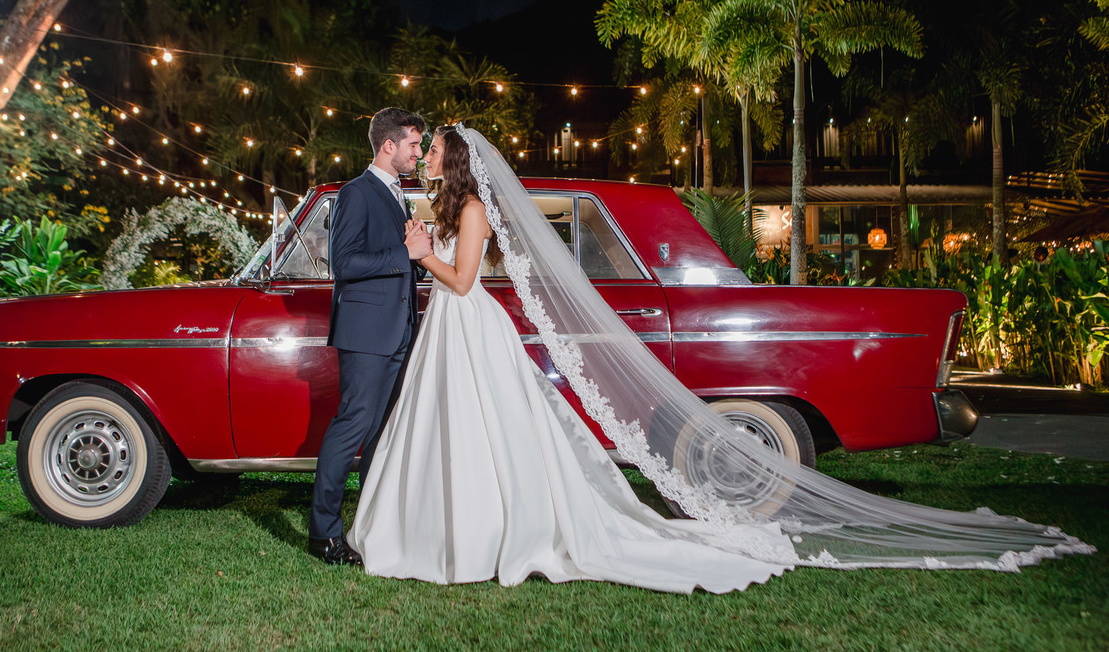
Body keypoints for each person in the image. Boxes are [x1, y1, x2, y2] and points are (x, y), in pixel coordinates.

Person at [348, 125, 1093, 592]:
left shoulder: (466, 211)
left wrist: (422, 256)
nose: (426, 155)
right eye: (423, 148)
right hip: (451, 330)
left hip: (464, 318)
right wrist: (422, 247)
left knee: (489, 435)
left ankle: (485, 533)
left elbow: (466, 277)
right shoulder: (442, 207)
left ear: (457, 161)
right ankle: (441, 529)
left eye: (434, 148)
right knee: (455, 434)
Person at [309, 107, 431, 565]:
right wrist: (405, 252)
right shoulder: (355, 193)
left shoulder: (397, 195)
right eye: (414, 145)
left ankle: (373, 525)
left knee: (382, 432)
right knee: (351, 428)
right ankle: (323, 534)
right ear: (389, 145)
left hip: (399, 330)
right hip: (366, 334)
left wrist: (418, 257)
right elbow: (346, 265)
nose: (418, 153)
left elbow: (392, 263)